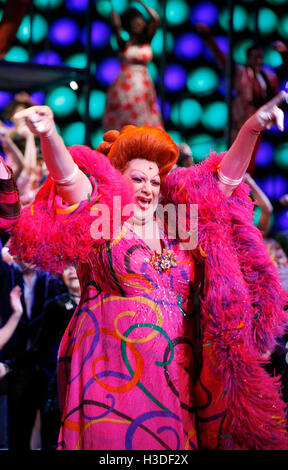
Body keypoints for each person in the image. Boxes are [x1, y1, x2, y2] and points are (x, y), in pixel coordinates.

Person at [9, 91, 288, 450]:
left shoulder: (179, 228)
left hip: (174, 381)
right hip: (111, 379)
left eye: (155, 182)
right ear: (118, 181)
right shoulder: (103, 222)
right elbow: (69, 180)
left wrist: (252, 128)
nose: (148, 189)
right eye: (138, 179)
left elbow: (224, 182)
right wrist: (49, 134)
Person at [196, 24, 279, 175]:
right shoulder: (241, 73)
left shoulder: (267, 76)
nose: (258, 60)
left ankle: (245, 190)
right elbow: (222, 58)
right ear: (248, 58)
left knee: (251, 160)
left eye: (260, 57)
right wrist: (208, 38)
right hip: (240, 122)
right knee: (236, 159)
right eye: (254, 57)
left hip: (259, 122)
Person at [102, 0, 163, 131]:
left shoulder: (147, 39)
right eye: (135, 22)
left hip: (143, 84)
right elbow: (116, 24)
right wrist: (111, 5)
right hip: (126, 86)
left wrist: (140, 2)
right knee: (127, 119)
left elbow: (155, 19)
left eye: (140, 21)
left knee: (144, 117)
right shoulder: (123, 43)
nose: (139, 24)